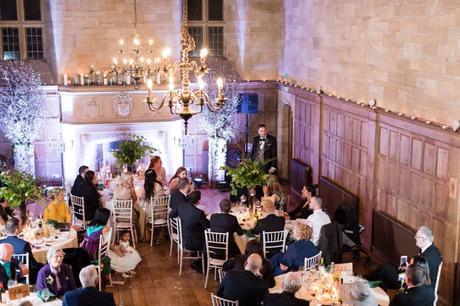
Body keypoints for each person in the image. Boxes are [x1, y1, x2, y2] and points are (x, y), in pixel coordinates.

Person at [365, 226, 442, 291]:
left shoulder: (428, 257)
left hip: (412, 283)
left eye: (417, 236)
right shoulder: (432, 249)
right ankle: (366, 282)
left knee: (386, 268)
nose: (415, 238)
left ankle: (364, 279)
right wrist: (408, 267)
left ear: (424, 239)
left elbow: (417, 277)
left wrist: (408, 269)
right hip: (409, 276)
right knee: (385, 274)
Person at [169, 182, 209, 272]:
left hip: (182, 237)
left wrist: (181, 221)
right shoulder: (198, 213)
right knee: (208, 238)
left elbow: (171, 215)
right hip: (192, 243)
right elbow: (208, 226)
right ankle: (204, 265)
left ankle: (201, 262)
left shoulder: (181, 205)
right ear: (198, 201)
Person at [0, 218, 42, 284]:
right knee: (43, 267)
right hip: (22, 276)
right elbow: (33, 265)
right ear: (16, 230)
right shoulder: (24, 244)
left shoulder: (1, 243)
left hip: (3, 276)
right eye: (19, 226)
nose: (21, 228)